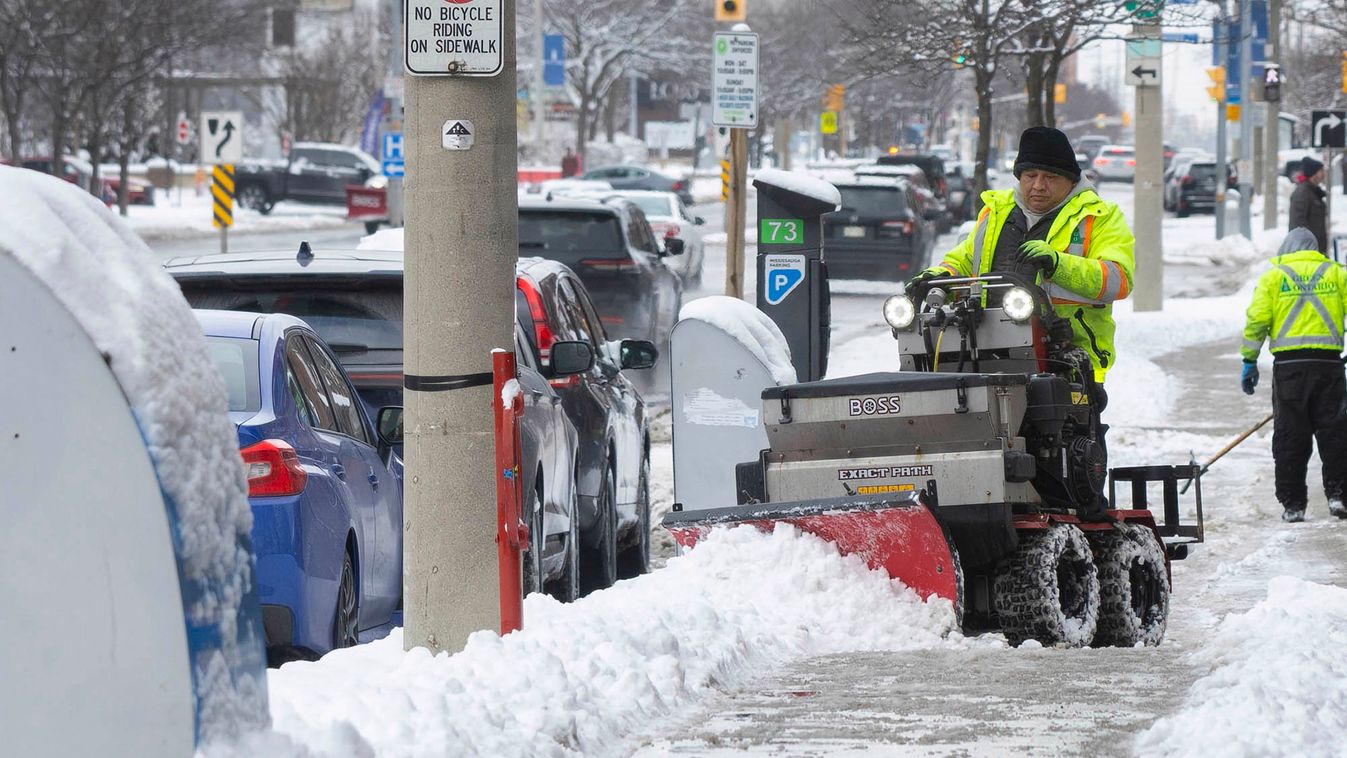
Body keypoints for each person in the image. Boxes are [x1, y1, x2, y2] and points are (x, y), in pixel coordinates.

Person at [910, 126, 1135, 519]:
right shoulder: (995, 212)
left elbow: (1118, 278)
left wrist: (1058, 264)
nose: (1038, 186)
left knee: (1060, 458)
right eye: (1030, 176)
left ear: (1071, 180)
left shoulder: (1099, 217)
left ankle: (1078, 511)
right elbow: (962, 260)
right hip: (985, 352)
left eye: (1050, 177)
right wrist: (937, 278)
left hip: (1065, 359)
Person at [1240, 226, 1347, 523]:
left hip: (1289, 371)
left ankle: (1293, 505)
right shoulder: (1336, 273)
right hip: (1329, 366)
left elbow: (1257, 319)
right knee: (1335, 433)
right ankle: (1339, 496)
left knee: (1291, 436)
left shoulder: (1274, 277)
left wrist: (1249, 360)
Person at [1289, 156, 1328, 254]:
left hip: (1316, 249)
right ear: (1313, 173)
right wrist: (1307, 247)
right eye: (1321, 171)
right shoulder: (1302, 193)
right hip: (1307, 250)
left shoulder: (1313, 192)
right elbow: (1298, 222)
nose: (1323, 174)